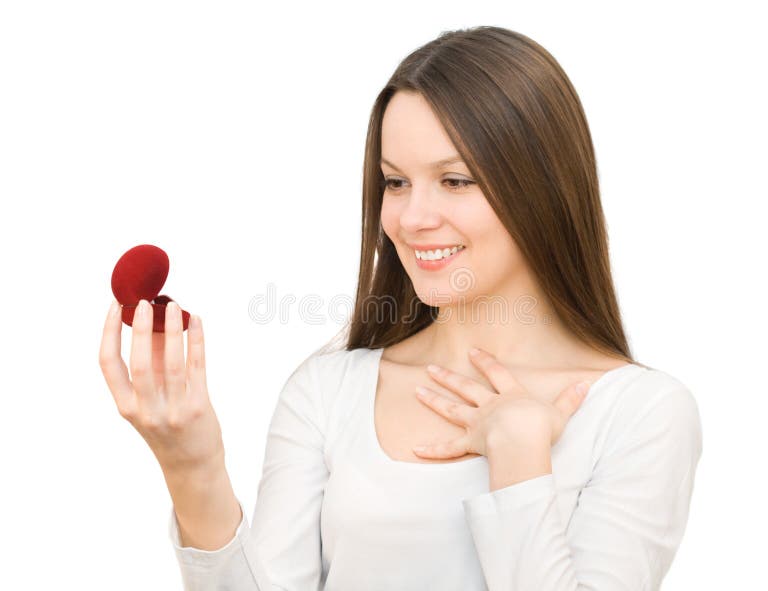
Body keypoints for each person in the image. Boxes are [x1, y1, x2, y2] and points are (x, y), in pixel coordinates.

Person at [98, 25, 703, 590]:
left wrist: (520, 455)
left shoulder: (642, 413)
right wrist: (193, 466)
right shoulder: (327, 391)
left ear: (540, 186)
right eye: (394, 182)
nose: (412, 219)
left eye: (456, 180)